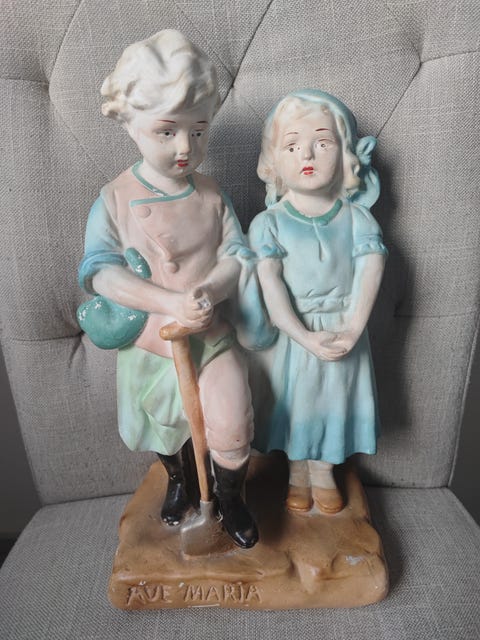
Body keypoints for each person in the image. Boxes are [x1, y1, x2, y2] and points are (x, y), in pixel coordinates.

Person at [78, 30, 258, 548]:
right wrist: (168, 302)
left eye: (199, 131)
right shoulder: (115, 199)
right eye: (167, 131)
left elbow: (238, 255)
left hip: (211, 335)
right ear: (130, 125)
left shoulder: (213, 195)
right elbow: (101, 272)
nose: (186, 148)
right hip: (153, 343)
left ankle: (230, 499)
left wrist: (208, 292)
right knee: (162, 425)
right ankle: (181, 481)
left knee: (231, 422)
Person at [248, 89, 387, 515]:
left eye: (322, 143)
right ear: (274, 160)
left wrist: (352, 330)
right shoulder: (268, 224)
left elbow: (370, 274)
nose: (306, 155)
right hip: (294, 334)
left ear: (344, 154)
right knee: (297, 405)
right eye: (292, 146)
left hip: (343, 329)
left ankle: (324, 472)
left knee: (333, 402)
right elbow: (271, 288)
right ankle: (297, 474)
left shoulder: (358, 220)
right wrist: (304, 337)